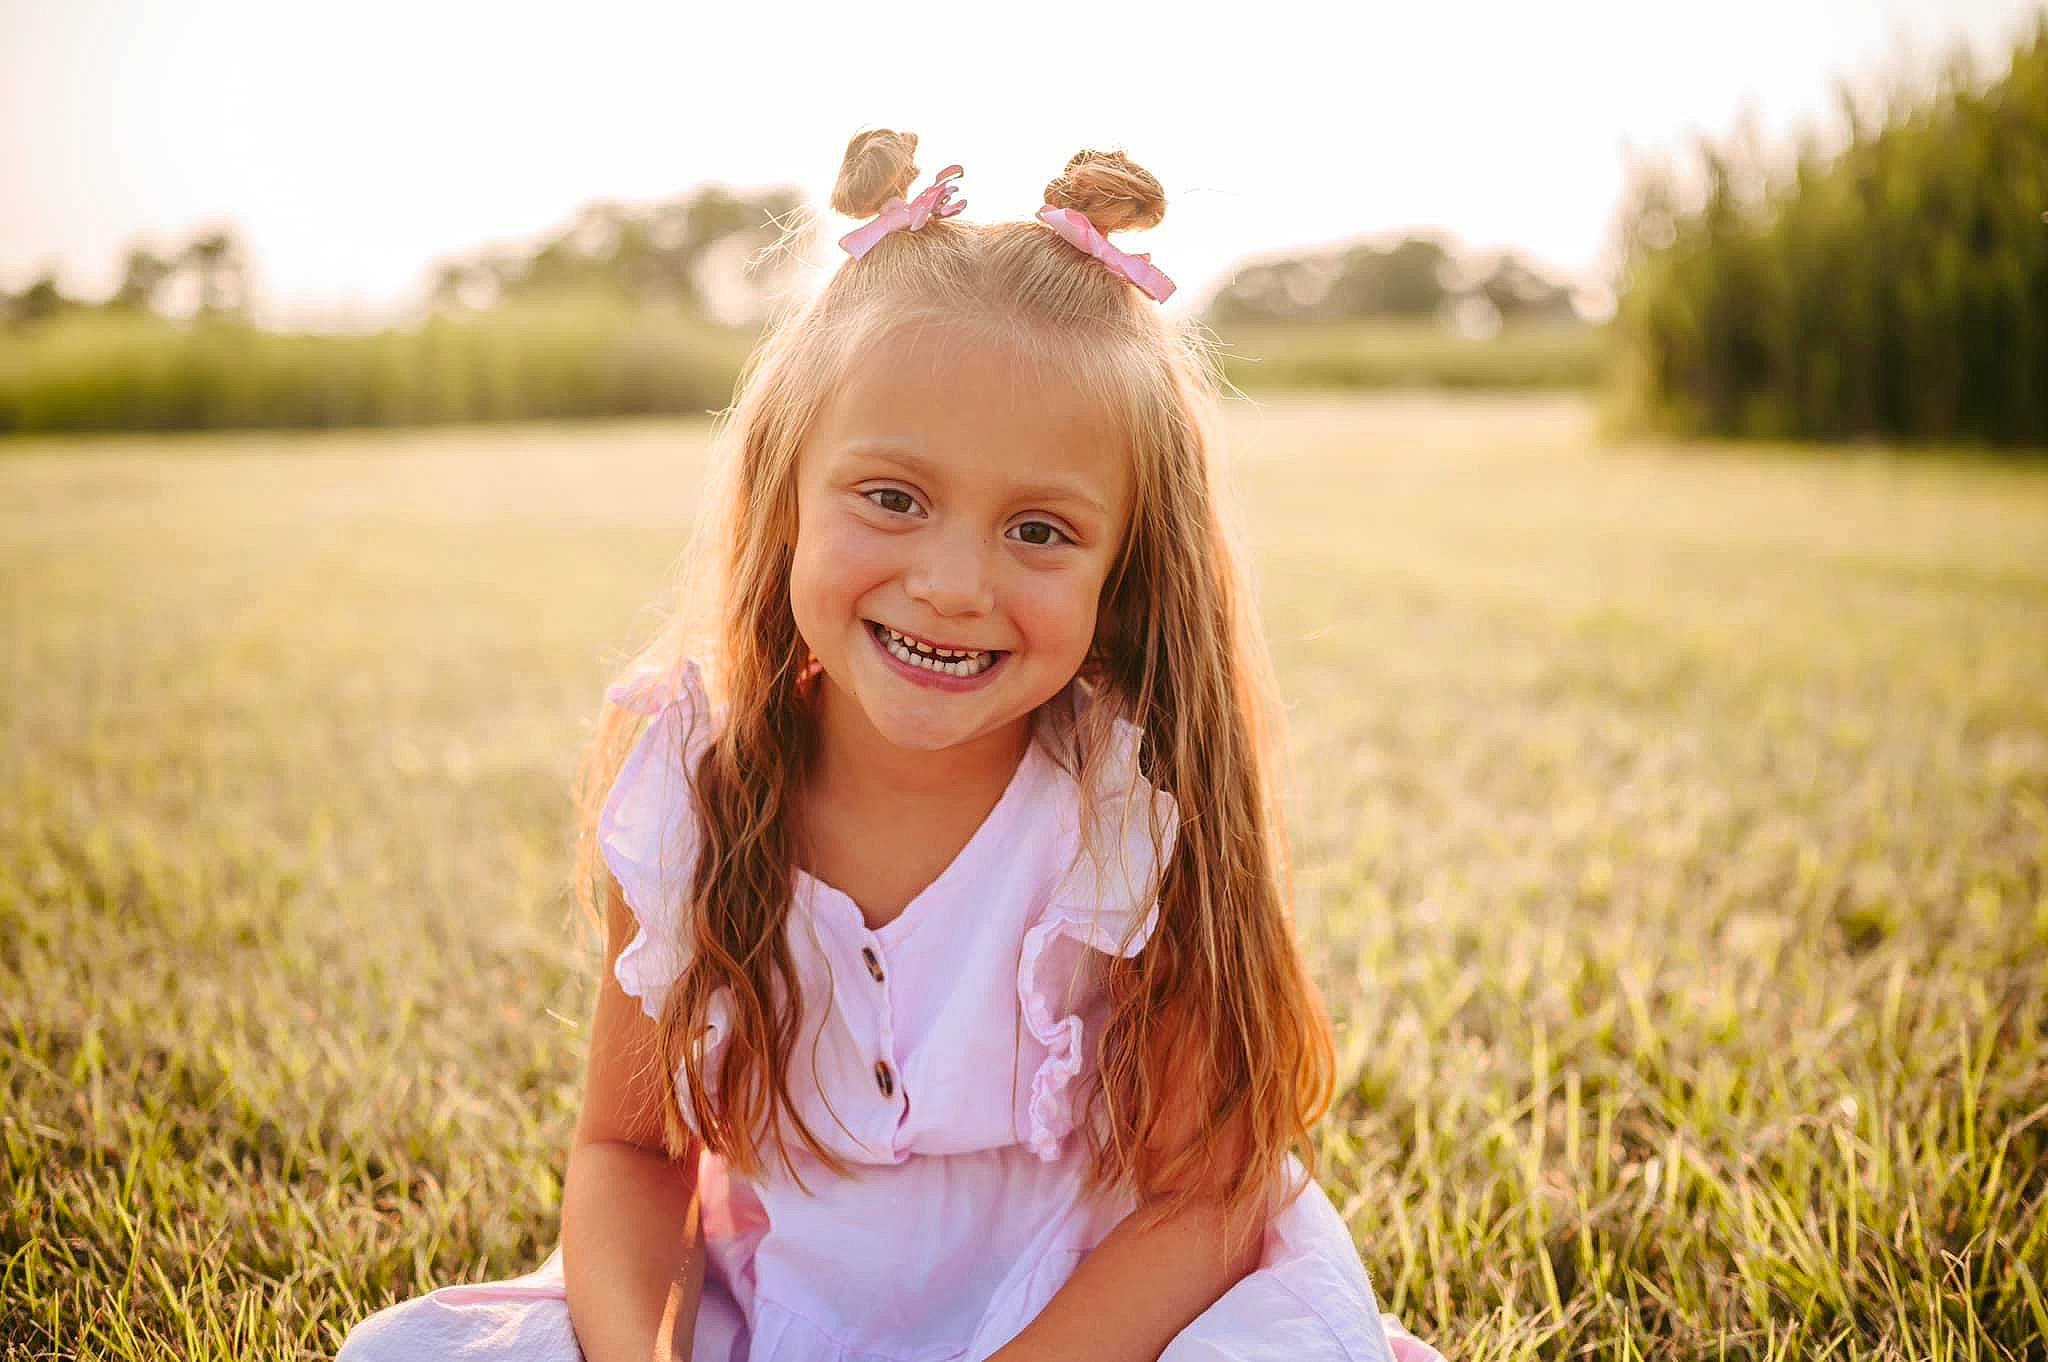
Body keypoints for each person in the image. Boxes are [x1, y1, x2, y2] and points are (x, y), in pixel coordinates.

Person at [338, 130, 1447, 1362]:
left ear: (1121, 574)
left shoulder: (1125, 816)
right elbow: (629, 1151)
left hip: (1080, 1321)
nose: (954, 584)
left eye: (1038, 530)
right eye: (893, 499)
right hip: (783, 1310)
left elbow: (1205, 1199)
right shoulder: (693, 787)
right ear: (787, 489)